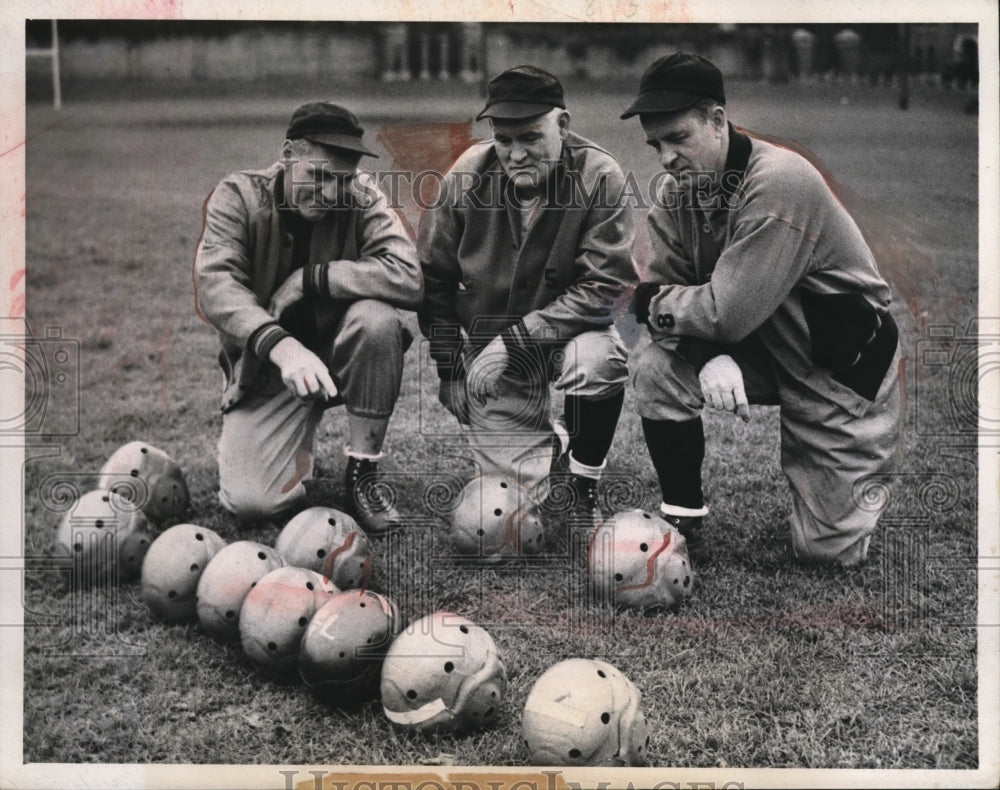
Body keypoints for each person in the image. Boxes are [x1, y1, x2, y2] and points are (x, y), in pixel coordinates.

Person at [622, 53, 901, 566]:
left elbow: (716, 311)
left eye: (678, 138)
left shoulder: (779, 182)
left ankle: (846, 482)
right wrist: (705, 357)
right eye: (656, 144)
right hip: (762, 345)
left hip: (836, 370)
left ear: (716, 120)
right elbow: (674, 301)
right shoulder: (675, 197)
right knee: (658, 370)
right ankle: (683, 516)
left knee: (825, 553)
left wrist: (652, 303)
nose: (665, 158)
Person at [418, 65, 637, 530]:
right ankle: (551, 447)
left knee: (596, 356)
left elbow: (604, 288)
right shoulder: (466, 177)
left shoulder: (600, 176)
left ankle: (582, 481)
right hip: (493, 352)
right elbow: (433, 278)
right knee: (514, 510)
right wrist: (449, 369)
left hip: (566, 339)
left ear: (562, 124)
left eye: (531, 137)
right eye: (504, 139)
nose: (515, 154)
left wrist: (517, 340)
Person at [193, 101, 423, 534]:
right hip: (270, 369)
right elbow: (216, 287)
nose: (333, 193)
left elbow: (410, 276)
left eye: (342, 179)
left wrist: (311, 278)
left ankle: (362, 473)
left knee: (377, 320)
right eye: (318, 176)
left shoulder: (362, 195)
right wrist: (283, 346)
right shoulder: (238, 195)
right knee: (253, 504)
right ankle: (289, 444)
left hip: (341, 355)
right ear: (287, 155)